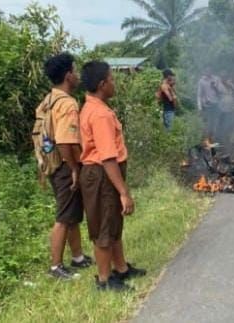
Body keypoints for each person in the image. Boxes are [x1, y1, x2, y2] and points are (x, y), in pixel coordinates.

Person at [79, 61, 146, 291]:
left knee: (114, 223)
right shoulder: (99, 115)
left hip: (103, 175)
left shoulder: (95, 107)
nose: (114, 83)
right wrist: (124, 192)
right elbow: (108, 157)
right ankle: (105, 280)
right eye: (112, 79)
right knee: (105, 228)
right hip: (102, 175)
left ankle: (121, 269)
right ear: (102, 84)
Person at [40, 53, 92, 280]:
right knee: (63, 216)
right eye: (75, 70)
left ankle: (78, 257)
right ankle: (56, 267)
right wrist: (73, 168)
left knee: (71, 213)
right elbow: (64, 141)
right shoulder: (68, 103)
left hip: (52, 163)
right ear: (68, 75)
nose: (78, 74)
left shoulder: (50, 99)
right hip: (64, 166)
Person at [217, 71, 234, 146]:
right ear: (221, 78)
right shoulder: (218, 85)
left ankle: (229, 139)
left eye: (225, 77)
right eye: (223, 77)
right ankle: (222, 140)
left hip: (231, 108)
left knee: (231, 125)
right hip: (222, 109)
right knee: (222, 125)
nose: (224, 78)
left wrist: (231, 86)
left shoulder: (230, 84)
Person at [197, 68, 221, 140]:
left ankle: (215, 138)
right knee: (208, 123)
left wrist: (215, 87)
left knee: (216, 122)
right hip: (207, 105)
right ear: (204, 71)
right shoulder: (202, 81)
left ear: (211, 71)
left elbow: (220, 92)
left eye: (209, 70)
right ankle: (206, 138)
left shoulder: (216, 79)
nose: (208, 72)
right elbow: (199, 95)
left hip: (216, 104)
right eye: (206, 70)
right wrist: (200, 107)